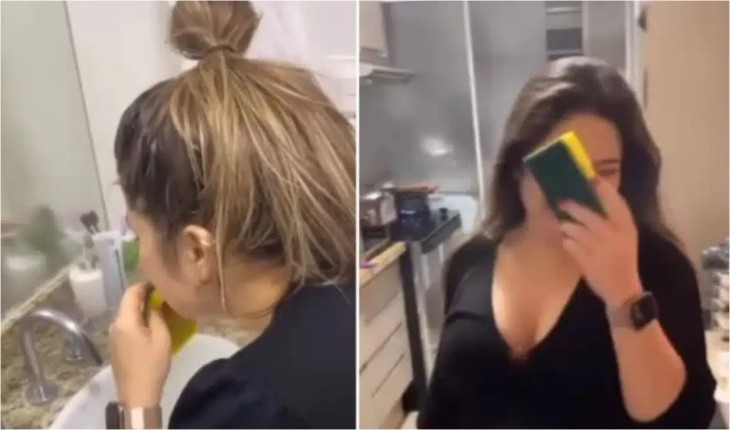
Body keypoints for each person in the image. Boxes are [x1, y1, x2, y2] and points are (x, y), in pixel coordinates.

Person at [418, 57, 717, 429]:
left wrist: (624, 294)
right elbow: (442, 410)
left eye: (606, 171)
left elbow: (683, 418)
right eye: (563, 166)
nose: (583, 190)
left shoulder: (660, 266)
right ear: (517, 167)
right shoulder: (471, 261)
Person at [108, 1, 356, 428]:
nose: (142, 258)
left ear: (196, 251)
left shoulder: (244, 405)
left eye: (138, 231)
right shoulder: (343, 296)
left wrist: (137, 401)